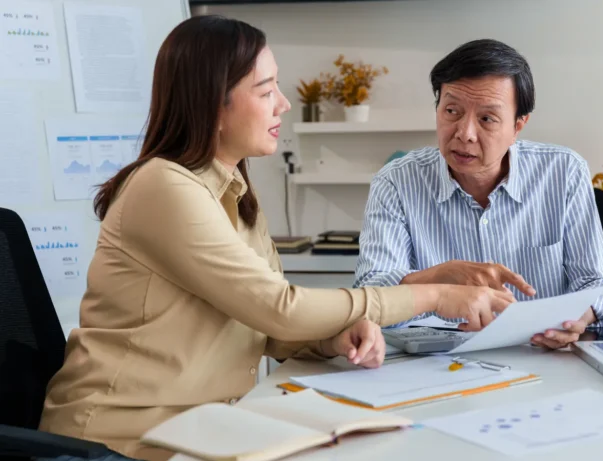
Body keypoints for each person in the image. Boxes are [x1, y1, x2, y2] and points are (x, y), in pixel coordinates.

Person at [37, 17, 517, 461]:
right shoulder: (162, 187)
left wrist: (332, 340)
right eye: (266, 90)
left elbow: (267, 328)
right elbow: (280, 308)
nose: (283, 103)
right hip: (119, 441)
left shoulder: (234, 192)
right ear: (213, 104)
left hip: (198, 430)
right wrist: (435, 296)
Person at [354, 39, 603, 350]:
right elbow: (369, 296)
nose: (464, 133)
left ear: (518, 126)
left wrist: (577, 319)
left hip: (541, 356)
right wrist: (441, 276)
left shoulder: (563, 172)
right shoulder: (396, 181)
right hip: (436, 361)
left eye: (487, 119)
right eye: (451, 111)